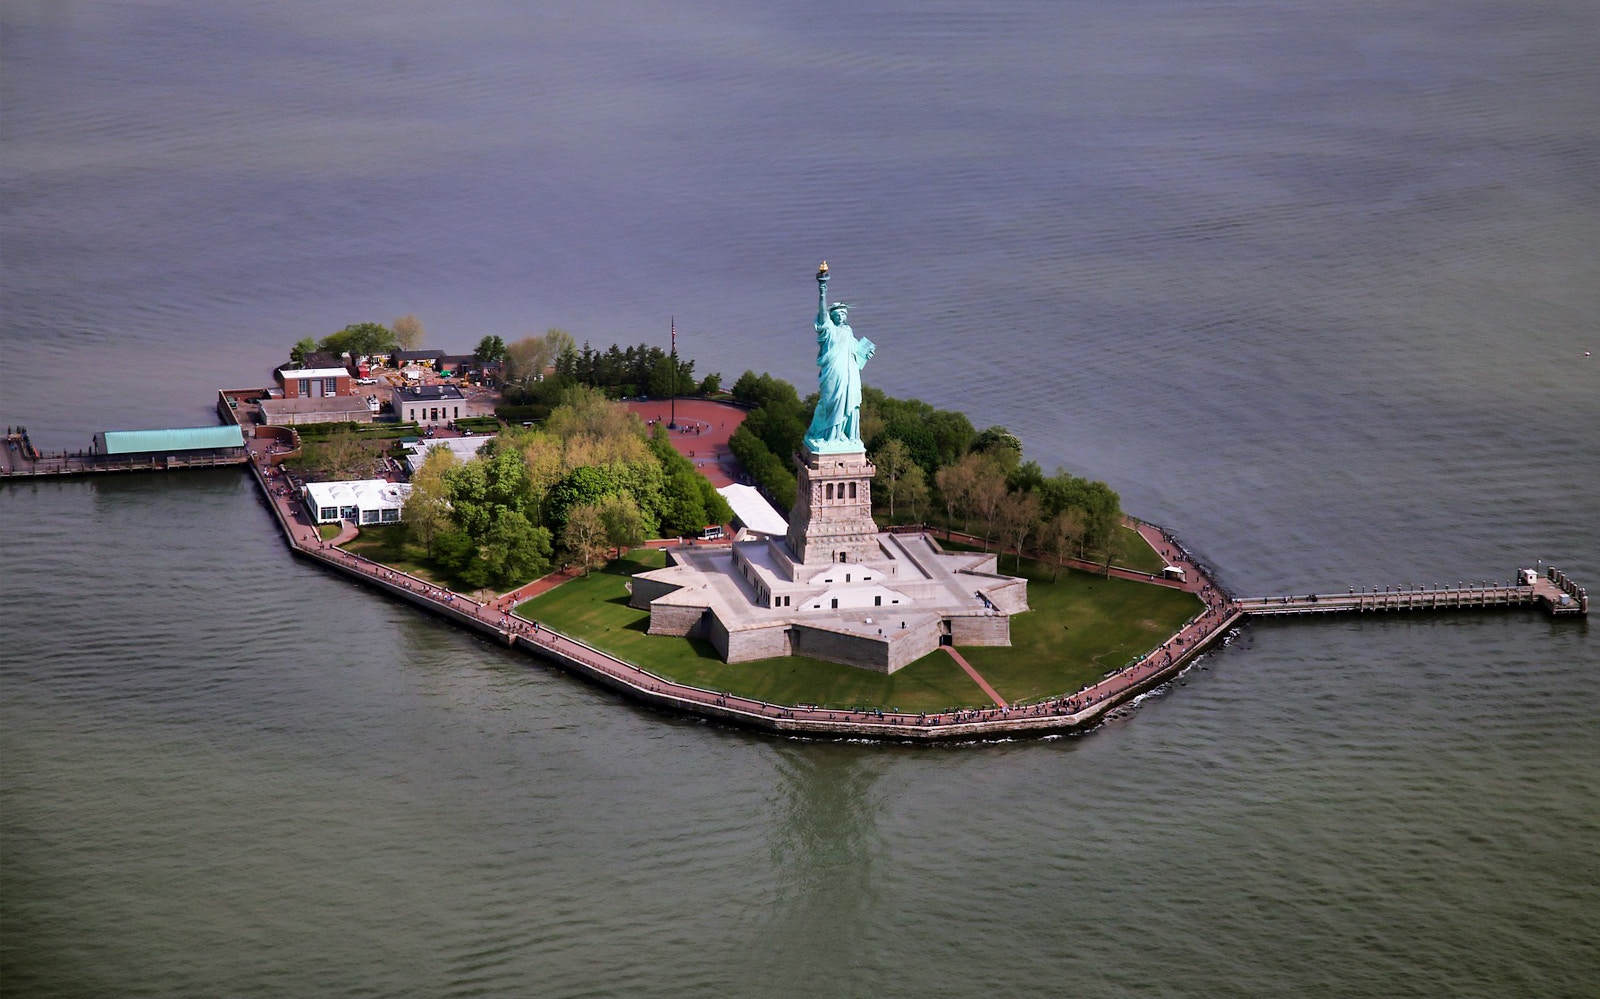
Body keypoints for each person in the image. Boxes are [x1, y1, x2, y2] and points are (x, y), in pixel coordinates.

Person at [803, 263, 875, 452]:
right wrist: (822, 291)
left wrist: (865, 353)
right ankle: (830, 436)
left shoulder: (848, 331)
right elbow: (822, 313)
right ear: (832, 316)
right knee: (833, 401)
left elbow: (855, 354)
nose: (841, 317)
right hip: (834, 372)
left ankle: (847, 436)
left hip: (850, 373)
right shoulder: (829, 330)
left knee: (850, 402)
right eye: (838, 314)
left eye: (844, 314)